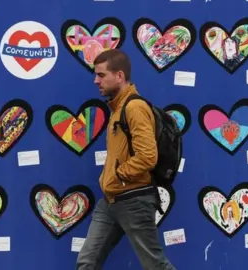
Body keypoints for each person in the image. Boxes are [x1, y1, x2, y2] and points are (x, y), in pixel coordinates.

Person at [76, 49, 176, 270]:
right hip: (111, 200)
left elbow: (147, 157)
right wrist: (112, 180)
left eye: (101, 75)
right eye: (96, 75)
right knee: (87, 262)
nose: (96, 81)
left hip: (134, 200)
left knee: (155, 265)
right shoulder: (118, 107)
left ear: (119, 76)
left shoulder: (134, 107)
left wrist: (118, 175)